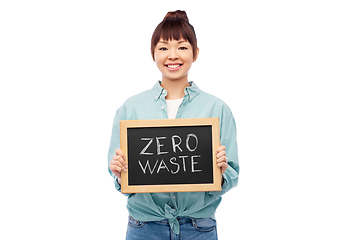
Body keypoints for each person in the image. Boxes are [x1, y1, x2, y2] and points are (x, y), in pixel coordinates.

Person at [108, 10, 239, 240]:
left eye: (182, 47)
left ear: (195, 53)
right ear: (153, 54)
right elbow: (121, 180)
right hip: (144, 228)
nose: (172, 55)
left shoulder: (218, 110)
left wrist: (221, 170)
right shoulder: (130, 109)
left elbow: (231, 175)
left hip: (199, 228)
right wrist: (119, 172)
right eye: (163, 47)